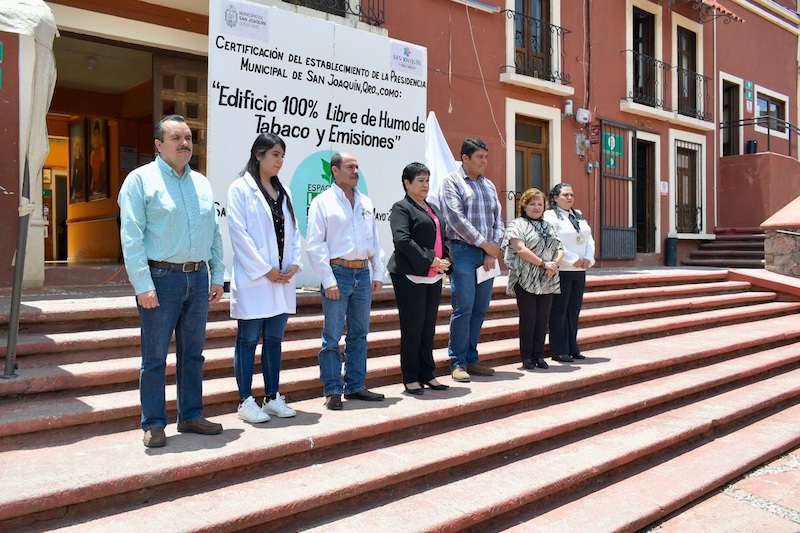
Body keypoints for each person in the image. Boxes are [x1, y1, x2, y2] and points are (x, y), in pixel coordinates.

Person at [118, 114, 225, 448]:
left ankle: (191, 415)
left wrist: (218, 275)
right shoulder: (140, 180)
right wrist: (142, 284)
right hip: (160, 278)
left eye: (189, 138)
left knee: (193, 353)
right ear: (158, 144)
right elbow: (131, 236)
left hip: (198, 275)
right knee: (154, 356)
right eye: (176, 138)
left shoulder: (202, 183)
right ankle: (153, 422)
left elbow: (215, 233)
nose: (184, 144)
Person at [227, 133, 300, 424]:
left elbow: (294, 232)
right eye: (275, 155)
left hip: (281, 280)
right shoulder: (240, 189)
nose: (280, 161)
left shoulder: (285, 192)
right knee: (247, 340)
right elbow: (239, 234)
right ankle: (245, 401)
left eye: (282, 156)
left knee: (274, 339)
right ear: (258, 155)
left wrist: (294, 263)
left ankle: (272, 397)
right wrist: (264, 269)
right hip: (256, 280)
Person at [306, 152, 386, 410]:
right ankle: (332, 389)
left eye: (357, 166)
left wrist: (377, 272)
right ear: (335, 170)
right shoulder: (323, 202)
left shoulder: (365, 202)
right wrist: (327, 280)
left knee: (359, 334)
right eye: (350, 166)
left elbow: (374, 241)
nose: (355, 171)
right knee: (332, 335)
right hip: (337, 273)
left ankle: (355, 385)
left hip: (362, 274)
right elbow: (315, 245)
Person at [438, 138, 504, 382]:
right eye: (480, 157)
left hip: (486, 256)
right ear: (465, 158)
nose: (484, 162)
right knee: (463, 307)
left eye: (486, 157)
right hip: (463, 252)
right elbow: (455, 219)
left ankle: (472, 358)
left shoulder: (489, 185)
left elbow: (499, 220)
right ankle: (457, 362)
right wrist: (485, 244)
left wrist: (491, 250)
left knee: (479, 309)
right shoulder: (451, 182)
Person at [387, 162, 452, 395]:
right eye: (420, 181)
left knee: (428, 328)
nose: (425, 185)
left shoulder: (432, 208)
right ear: (407, 183)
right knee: (412, 328)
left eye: (427, 180)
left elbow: (442, 238)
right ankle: (410, 377)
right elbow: (402, 240)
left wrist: (446, 260)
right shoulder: (401, 208)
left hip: (432, 276)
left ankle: (428, 373)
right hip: (409, 275)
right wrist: (431, 259)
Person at [502, 189, 563, 370]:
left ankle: (539, 355)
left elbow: (560, 247)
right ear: (524, 206)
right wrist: (544, 263)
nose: (536, 207)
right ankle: (527, 356)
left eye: (540, 204)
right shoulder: (516, 224)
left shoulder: (548, 225)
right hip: (525, 277)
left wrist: (554, 264)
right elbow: (520, 249)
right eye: (532, 204)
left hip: (547, 278)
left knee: (543, 318)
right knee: (529, 317)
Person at [544, 183, 596, 363]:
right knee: (559, 310)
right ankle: (559, 349)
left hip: (580, 270)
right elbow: (553, 240)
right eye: (565, 195)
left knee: (574, 309)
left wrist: (589, 258)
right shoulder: (550, 216)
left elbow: (589, 239)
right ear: (555, 197)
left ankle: (572, 346)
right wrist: (572, 258)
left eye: (571, 194)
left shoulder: (578, 214)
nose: (569, 198)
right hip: (563, 269)